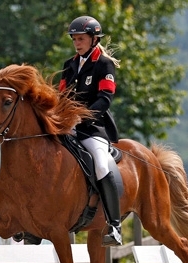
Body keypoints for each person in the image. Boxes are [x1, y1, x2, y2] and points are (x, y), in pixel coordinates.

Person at [59, 15, 122, 247]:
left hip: (94, 128)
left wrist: (80, 117)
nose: (77, 43)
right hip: (68, 127)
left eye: (81, 38)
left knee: (101, 164)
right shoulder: (69, 65)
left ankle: (115, 225)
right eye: (74, 39)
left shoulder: (104, 64)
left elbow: (105, 99)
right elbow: (61, 97)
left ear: (94, 39)